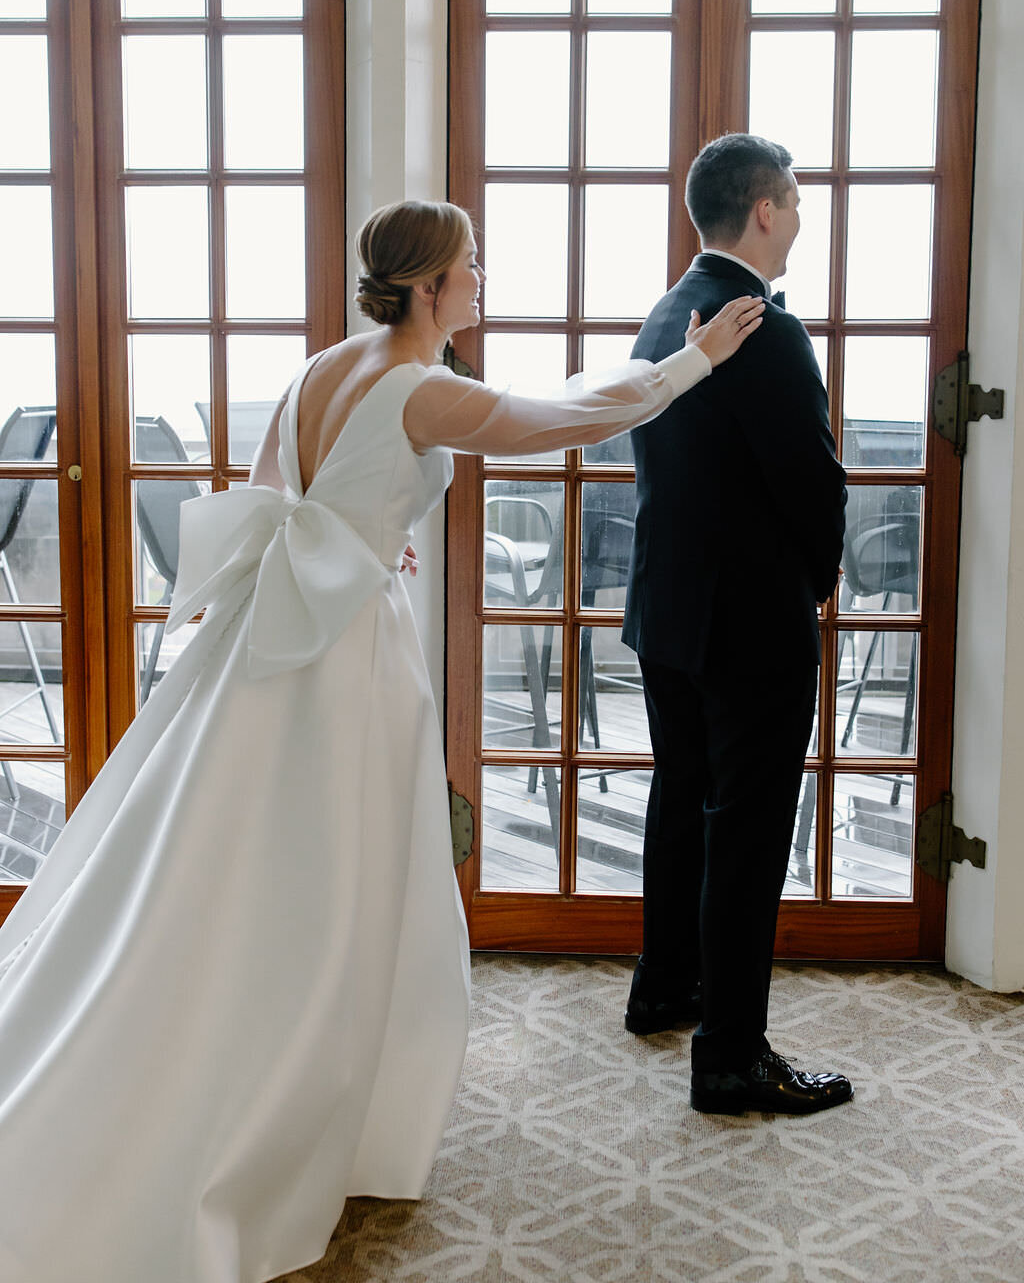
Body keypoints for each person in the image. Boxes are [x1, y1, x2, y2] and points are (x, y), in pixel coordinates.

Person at [0, 199, 763, 1283]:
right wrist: (687, 367)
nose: (481, 278)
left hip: (277, 634)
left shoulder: (326, 367)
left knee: (225, 867)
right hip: (344, 658)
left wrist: (362, 536)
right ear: (426, 288)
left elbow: (277, 491)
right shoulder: (421, 388)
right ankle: (286, 1107)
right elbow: (558, 421)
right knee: (338, 886)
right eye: (470, 265)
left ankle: (284, 1084)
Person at [622, 134, 851, 1116]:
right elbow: (811, 481)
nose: (799, 217)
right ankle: (729, 1057)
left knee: (683, 804)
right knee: (748, 830)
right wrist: (815, 584)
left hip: (667, 611)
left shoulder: (667, 312)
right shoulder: (763, 325)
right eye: (794, 201)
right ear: (762, 209)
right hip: (749, 623)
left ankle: (665, 984)